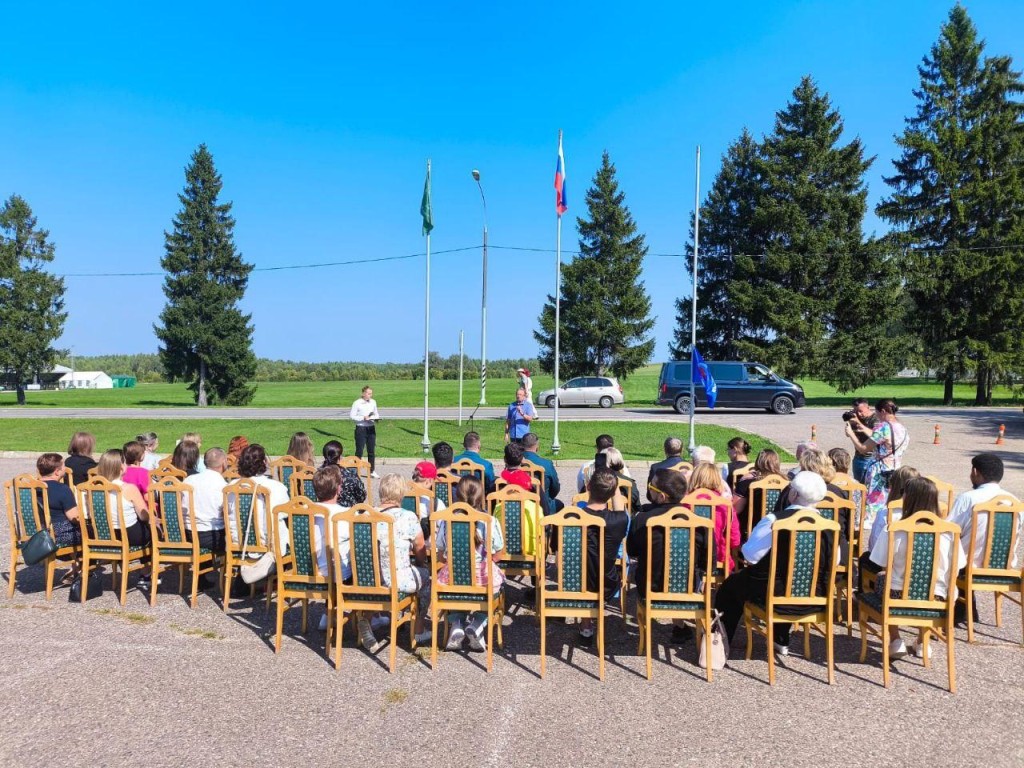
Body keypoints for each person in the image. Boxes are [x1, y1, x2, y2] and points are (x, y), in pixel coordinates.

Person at [714, 471, 832, 653]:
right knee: (784, 582)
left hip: (773, 596)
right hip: (815, 597)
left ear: (793, 494)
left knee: (730, 588)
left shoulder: (774, 520)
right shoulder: (830, 526)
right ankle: (781, 637)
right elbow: (837, 560)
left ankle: (720, 644)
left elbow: (750, 556)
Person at [867, 477, 965, 658]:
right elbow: (957, 567)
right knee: (932, 585)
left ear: (908, 498)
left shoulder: (894, 529)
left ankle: (895, 639)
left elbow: (882, 564)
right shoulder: (950, 532)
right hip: (938, 598)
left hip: (897, 594)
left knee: (883, 577)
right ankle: (922, 640)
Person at [948, 453, 1021, 625]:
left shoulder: (968, 498)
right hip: (1005, 568)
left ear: (975, 472)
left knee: (948, 550)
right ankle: (967, 609)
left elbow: (950, 530)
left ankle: (952, 609)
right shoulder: (1015, 502)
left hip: (968, 567)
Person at [436, 476, 504, 652]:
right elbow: (499, 553)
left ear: (457, 495)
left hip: (453, 579)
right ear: (481, 496)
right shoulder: (488, 520)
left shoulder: (445, 520)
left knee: (451, 579)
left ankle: (456, 623)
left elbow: (439, 553)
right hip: (482, 580)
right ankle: (479, 621)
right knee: (499, 583)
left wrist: (453, 561)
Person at [629, 469, 692, 642]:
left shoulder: (642, 519)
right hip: (689, 588)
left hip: (651, 587)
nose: (648, 489)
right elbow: (706, 559)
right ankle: (680, 625)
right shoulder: (698, 522)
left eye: (651, 487)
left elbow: (632, 551)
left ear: (662, 496)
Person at [375, 473, 431, 646]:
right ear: (401, 493)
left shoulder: (366, 514)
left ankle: (371, 618)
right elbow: (420, 549)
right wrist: (423, 563)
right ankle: (419, 628)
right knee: (425, 578)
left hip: (370, 579)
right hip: (396, 580)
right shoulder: (408, 517)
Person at [577, 470, 630, 646]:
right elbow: (620, 509)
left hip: (573, 583)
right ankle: (590, 618)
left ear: (588, 487)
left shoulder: (570, 519)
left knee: (583, 571)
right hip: (606, 583)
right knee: (596, 570)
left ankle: (586, 625)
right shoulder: (619, 520)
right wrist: (614, 488)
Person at [846, 398, 909, 533]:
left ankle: (874, 536)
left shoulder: (883, 427)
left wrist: (851, 434)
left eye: (878, 413)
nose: (878, 416)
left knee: (874, 507)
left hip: (879, 472)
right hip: (896, 470)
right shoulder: (902, 428)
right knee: (890, 504)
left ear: (883, 411)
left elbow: (864, 448)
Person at [95, 449, 153, 588]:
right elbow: (143, 515)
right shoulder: (128, 488)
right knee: (151, 532)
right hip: (127, 533)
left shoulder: (93, 488)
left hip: (104, 534)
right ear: (121, 467)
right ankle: (146, 574)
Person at [859, 466, 920, 591]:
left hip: (891, 572)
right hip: (917, 569)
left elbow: (874, 546)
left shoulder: (886, 513)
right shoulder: (925, 513)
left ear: (893, 487)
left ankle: (865, 594)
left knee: (865, 558)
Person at [182, 447, 229, 590]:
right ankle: (238, 582)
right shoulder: (222, 485)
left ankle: (203, 577)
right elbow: (227, 513)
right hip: (210, 536)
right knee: (235, 536)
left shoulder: (189, 479)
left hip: (186, 533)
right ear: (224, 463)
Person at [685, 461, 741, 574]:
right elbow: (735, 538)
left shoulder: (685, 502)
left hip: (688, 555)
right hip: (718, 556)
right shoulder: (725, 505)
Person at [311, 465, 348, 631]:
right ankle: (370, 615)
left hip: (309, 570)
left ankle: (328, 613)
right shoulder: (345, 514)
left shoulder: (303, 511)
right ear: (338, 488)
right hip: (335, 573)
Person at [36, 453, 82, 552]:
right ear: (57, 472)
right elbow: (74, 518)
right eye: (64, 466)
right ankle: (85, 563)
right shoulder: (62, 489)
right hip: (58, 535)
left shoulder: (31, 488)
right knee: (90, 531)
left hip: (36, 532)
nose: (65, 468)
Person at [733, 449, 785, 536]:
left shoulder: (747, 483)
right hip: (778, 532)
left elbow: (735, 509)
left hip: (752, 532)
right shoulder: (787, 484)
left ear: (758, 462)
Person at [521, 432, 561, 514]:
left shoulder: (515, 462)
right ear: (537, 447)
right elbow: (555, 488)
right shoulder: (546, 464)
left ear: (521, 446)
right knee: (559, 505)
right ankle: (550, 526)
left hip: (519, 504)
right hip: (543, 507)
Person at [320, 440, 367, 507]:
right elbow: (362, 495)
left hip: (323, 511)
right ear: (340, 457)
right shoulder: (350, 475)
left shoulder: (318, 474)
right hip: (349, 513)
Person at [350, 386, 380, 478]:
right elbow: (352, 416)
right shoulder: (357, 403)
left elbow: (376, 413)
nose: (370, 395)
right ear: (363, 393)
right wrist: (363, 418)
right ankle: (356, 471)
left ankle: (372, 471)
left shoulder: (373, 402)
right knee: (359, 450)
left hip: (371, 428)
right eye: (368, 393)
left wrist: (376, 418)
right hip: (361, 429)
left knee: (371, 451)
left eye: (371, 393)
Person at [847, 398, 879, 483]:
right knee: (859, 487)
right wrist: (850, 423)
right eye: (856, 411)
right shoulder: (856, 418)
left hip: (871, 457)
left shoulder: (876, 419)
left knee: (868, 487)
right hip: (858, 456)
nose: (858, 414)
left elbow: (876, 436)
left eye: (861, 411)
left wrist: (858, 422)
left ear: (868, 407)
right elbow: (848, 434)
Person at [601, 447, 640, 513]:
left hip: (601, 519)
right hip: (626, 519)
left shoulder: (597, 481)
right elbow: (637, 505)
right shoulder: (629, 482)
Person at [647, 437, 685, 502]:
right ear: (682, 450)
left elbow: (650, 495)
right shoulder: (689, 467)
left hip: (661, 505)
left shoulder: (656, 467)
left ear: (665, 450)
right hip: (686, 506)